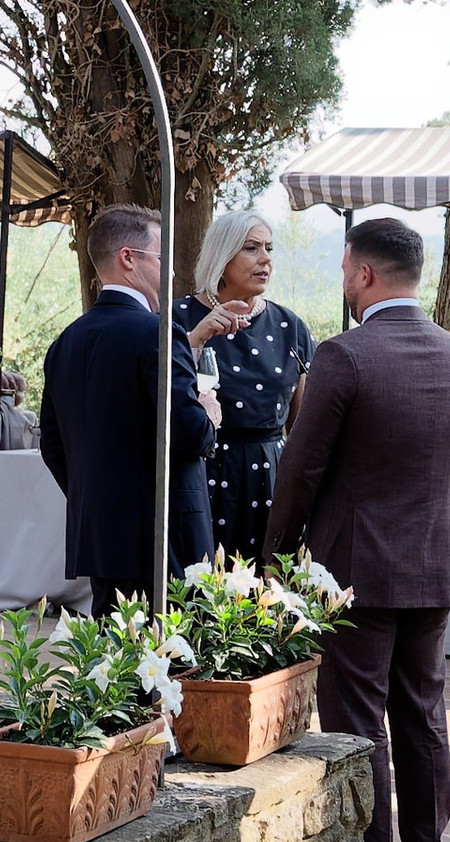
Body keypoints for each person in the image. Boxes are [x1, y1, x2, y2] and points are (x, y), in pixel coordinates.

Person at [266, 211, 450, 842]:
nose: (344, 281)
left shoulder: (345, 355)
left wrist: (273, 558)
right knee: (424, 717)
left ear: (364, 273)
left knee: (359, 724)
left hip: (353, 569)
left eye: (343, 269)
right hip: (431, 562)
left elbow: (300, 469)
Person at [37, 204, 214, 611]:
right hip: (163, 535)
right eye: (161, 259)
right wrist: (209, 414)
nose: (169, 274)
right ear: (128, 259)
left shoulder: (66, 341)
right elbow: (188, 432)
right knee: (169, 663)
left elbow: (53, 446)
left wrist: (97, 498)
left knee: (113, 664)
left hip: (99, 535)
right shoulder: (159, 332)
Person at [174, 204, 314, 561]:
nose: (264, 259)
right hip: (199, 472)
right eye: (251, 248)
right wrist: (196, 340)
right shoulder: (177, 319)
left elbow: (302, 424)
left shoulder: (290, 326)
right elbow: (159, 394)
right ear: (222, 255)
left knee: (268, 597)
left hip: (271, 476)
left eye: (269, 248)